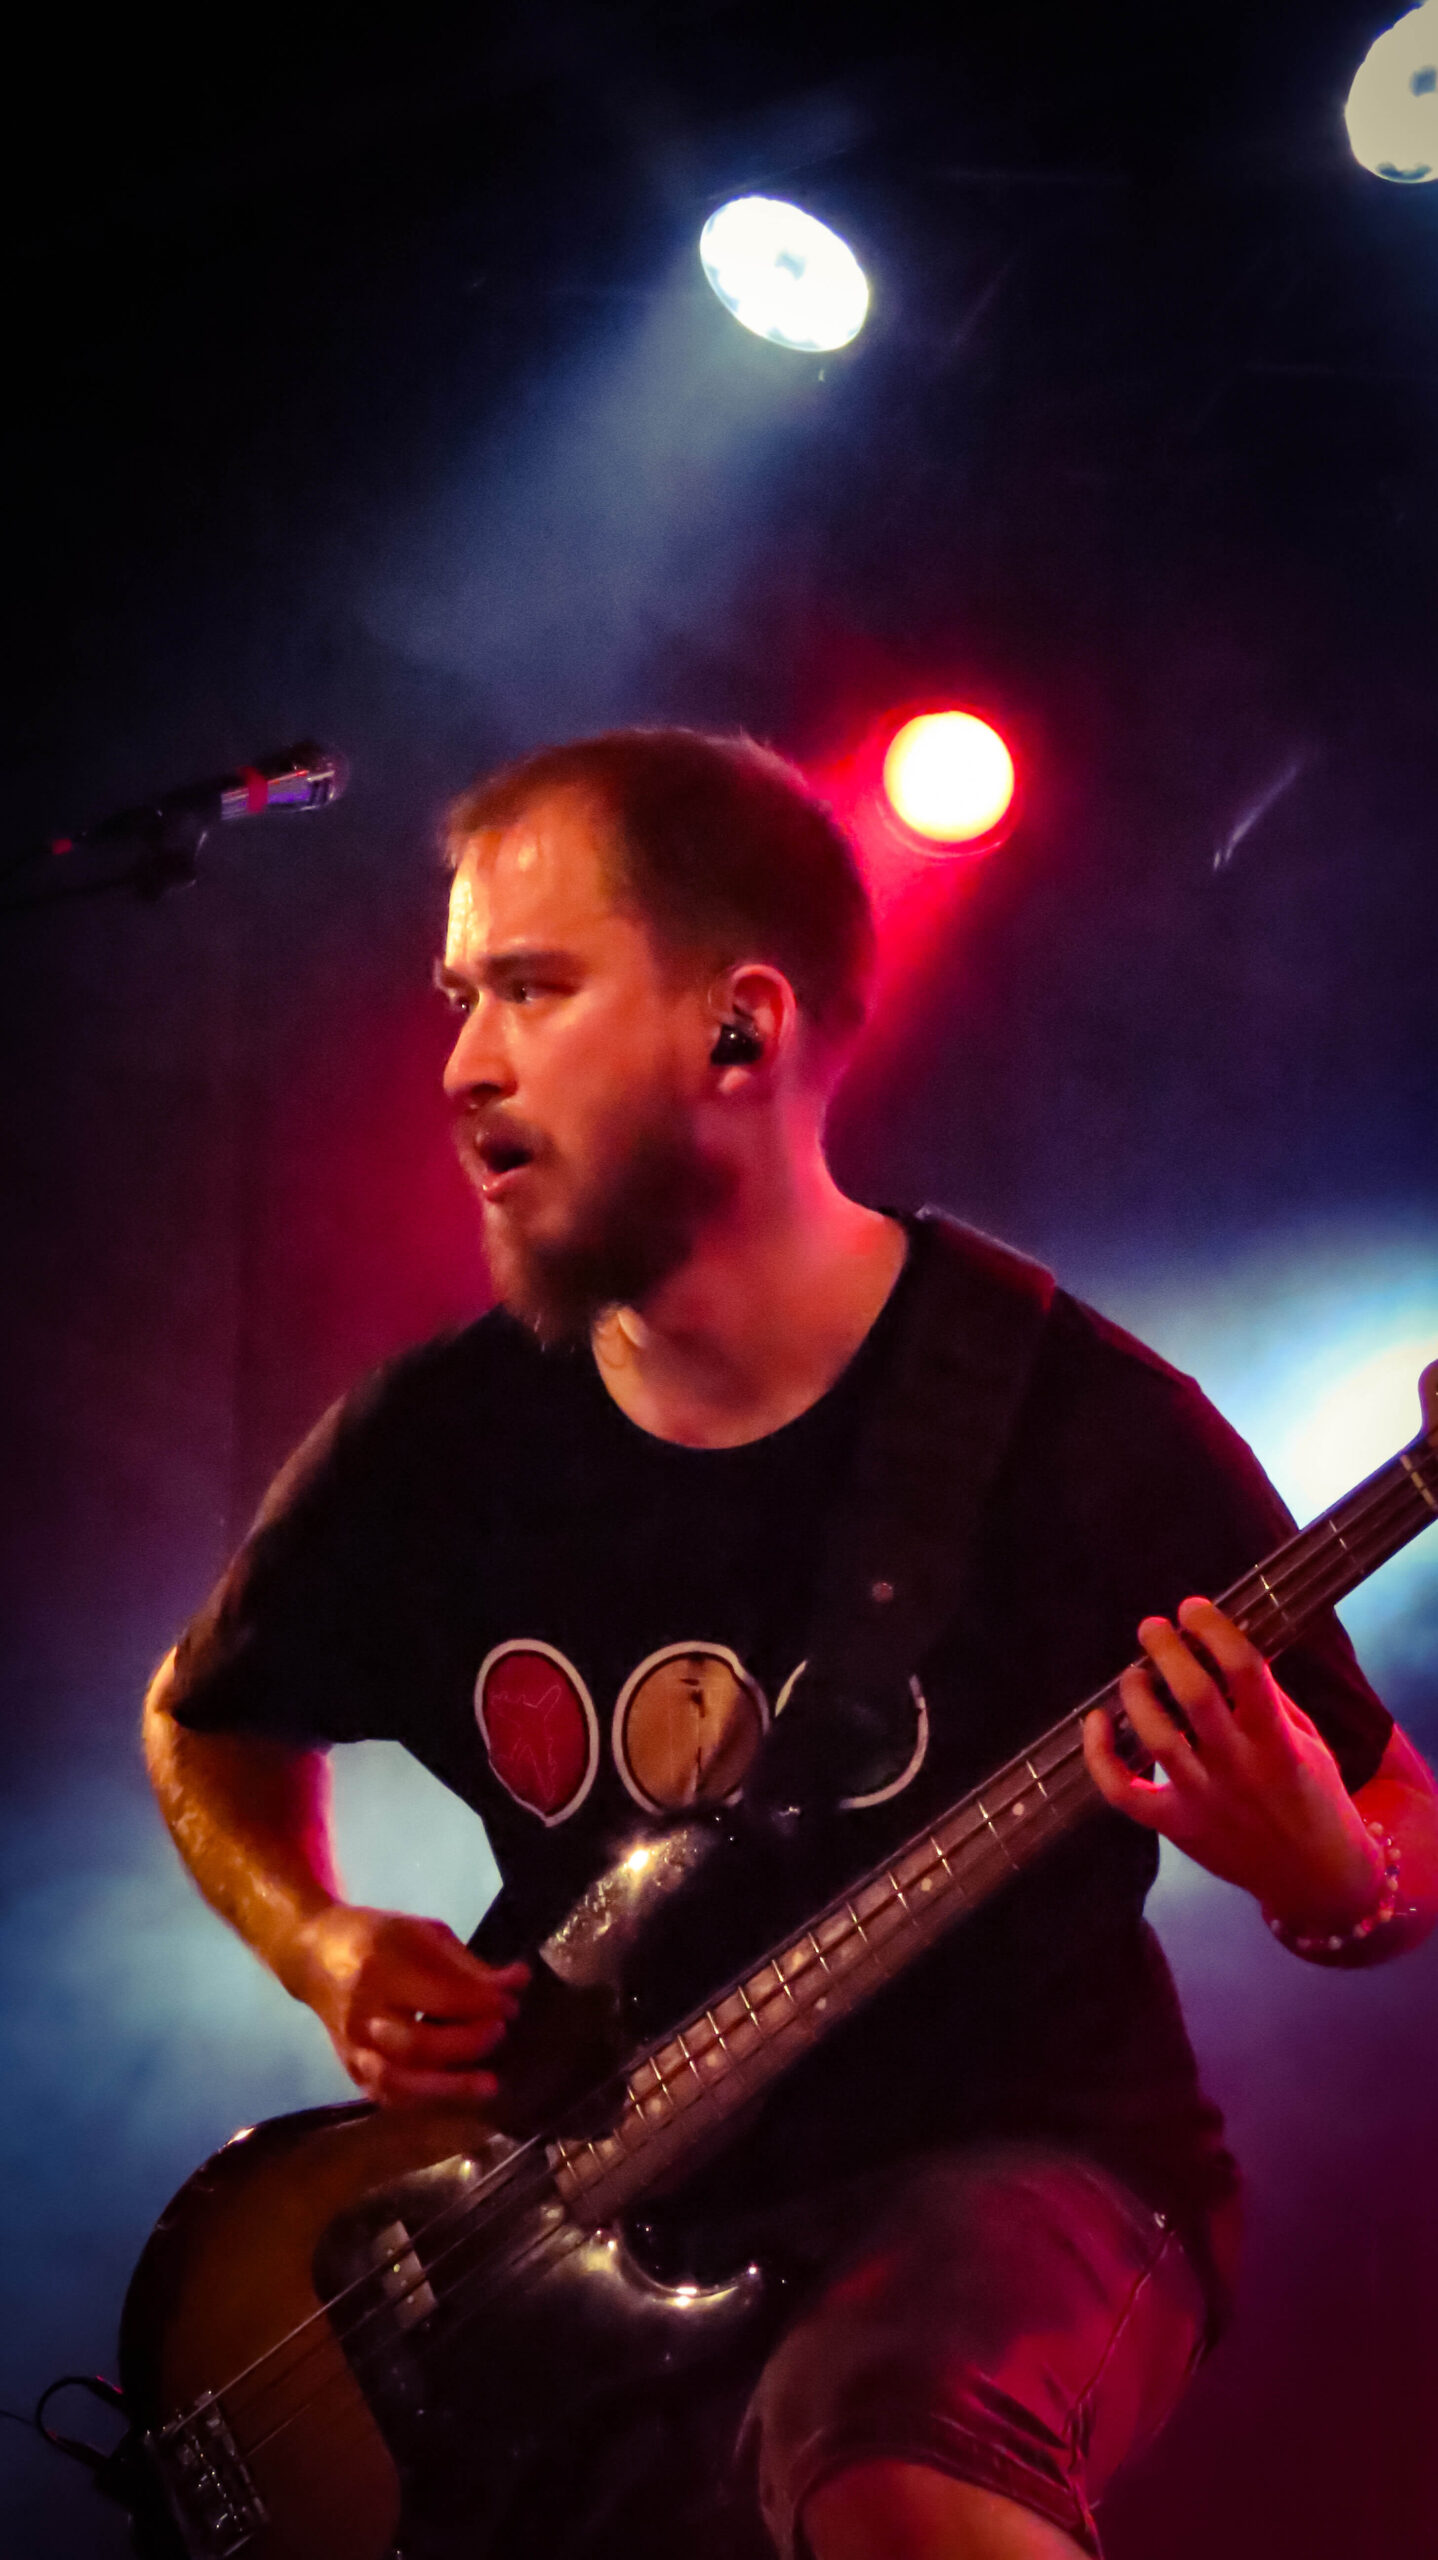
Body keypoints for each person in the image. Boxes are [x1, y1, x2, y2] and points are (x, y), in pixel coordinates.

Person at [143, 728, 1438, 2560]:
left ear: (738, 1033)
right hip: (583, 2216)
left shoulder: (1076, 1424)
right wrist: (322, 1940)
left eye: (530, 989)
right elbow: (204, 1718)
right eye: (458, 998)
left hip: (1014, 2166)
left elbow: (1398, 1833)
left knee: (889, 2447)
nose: (461, 1064)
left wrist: (1326, 1880)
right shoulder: (433, 1442)